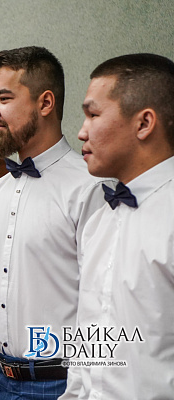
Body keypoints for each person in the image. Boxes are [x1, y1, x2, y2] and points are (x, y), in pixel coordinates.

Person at [0, 46, 109, 400]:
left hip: (60, 384)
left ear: (45, 103)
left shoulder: (91, 188)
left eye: (4, 98)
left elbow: (104, 305)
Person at [58, 53, 174, 399]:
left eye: (93, 114)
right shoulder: (98, 221)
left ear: (144, 123)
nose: (81, 131)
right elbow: (89, 336)